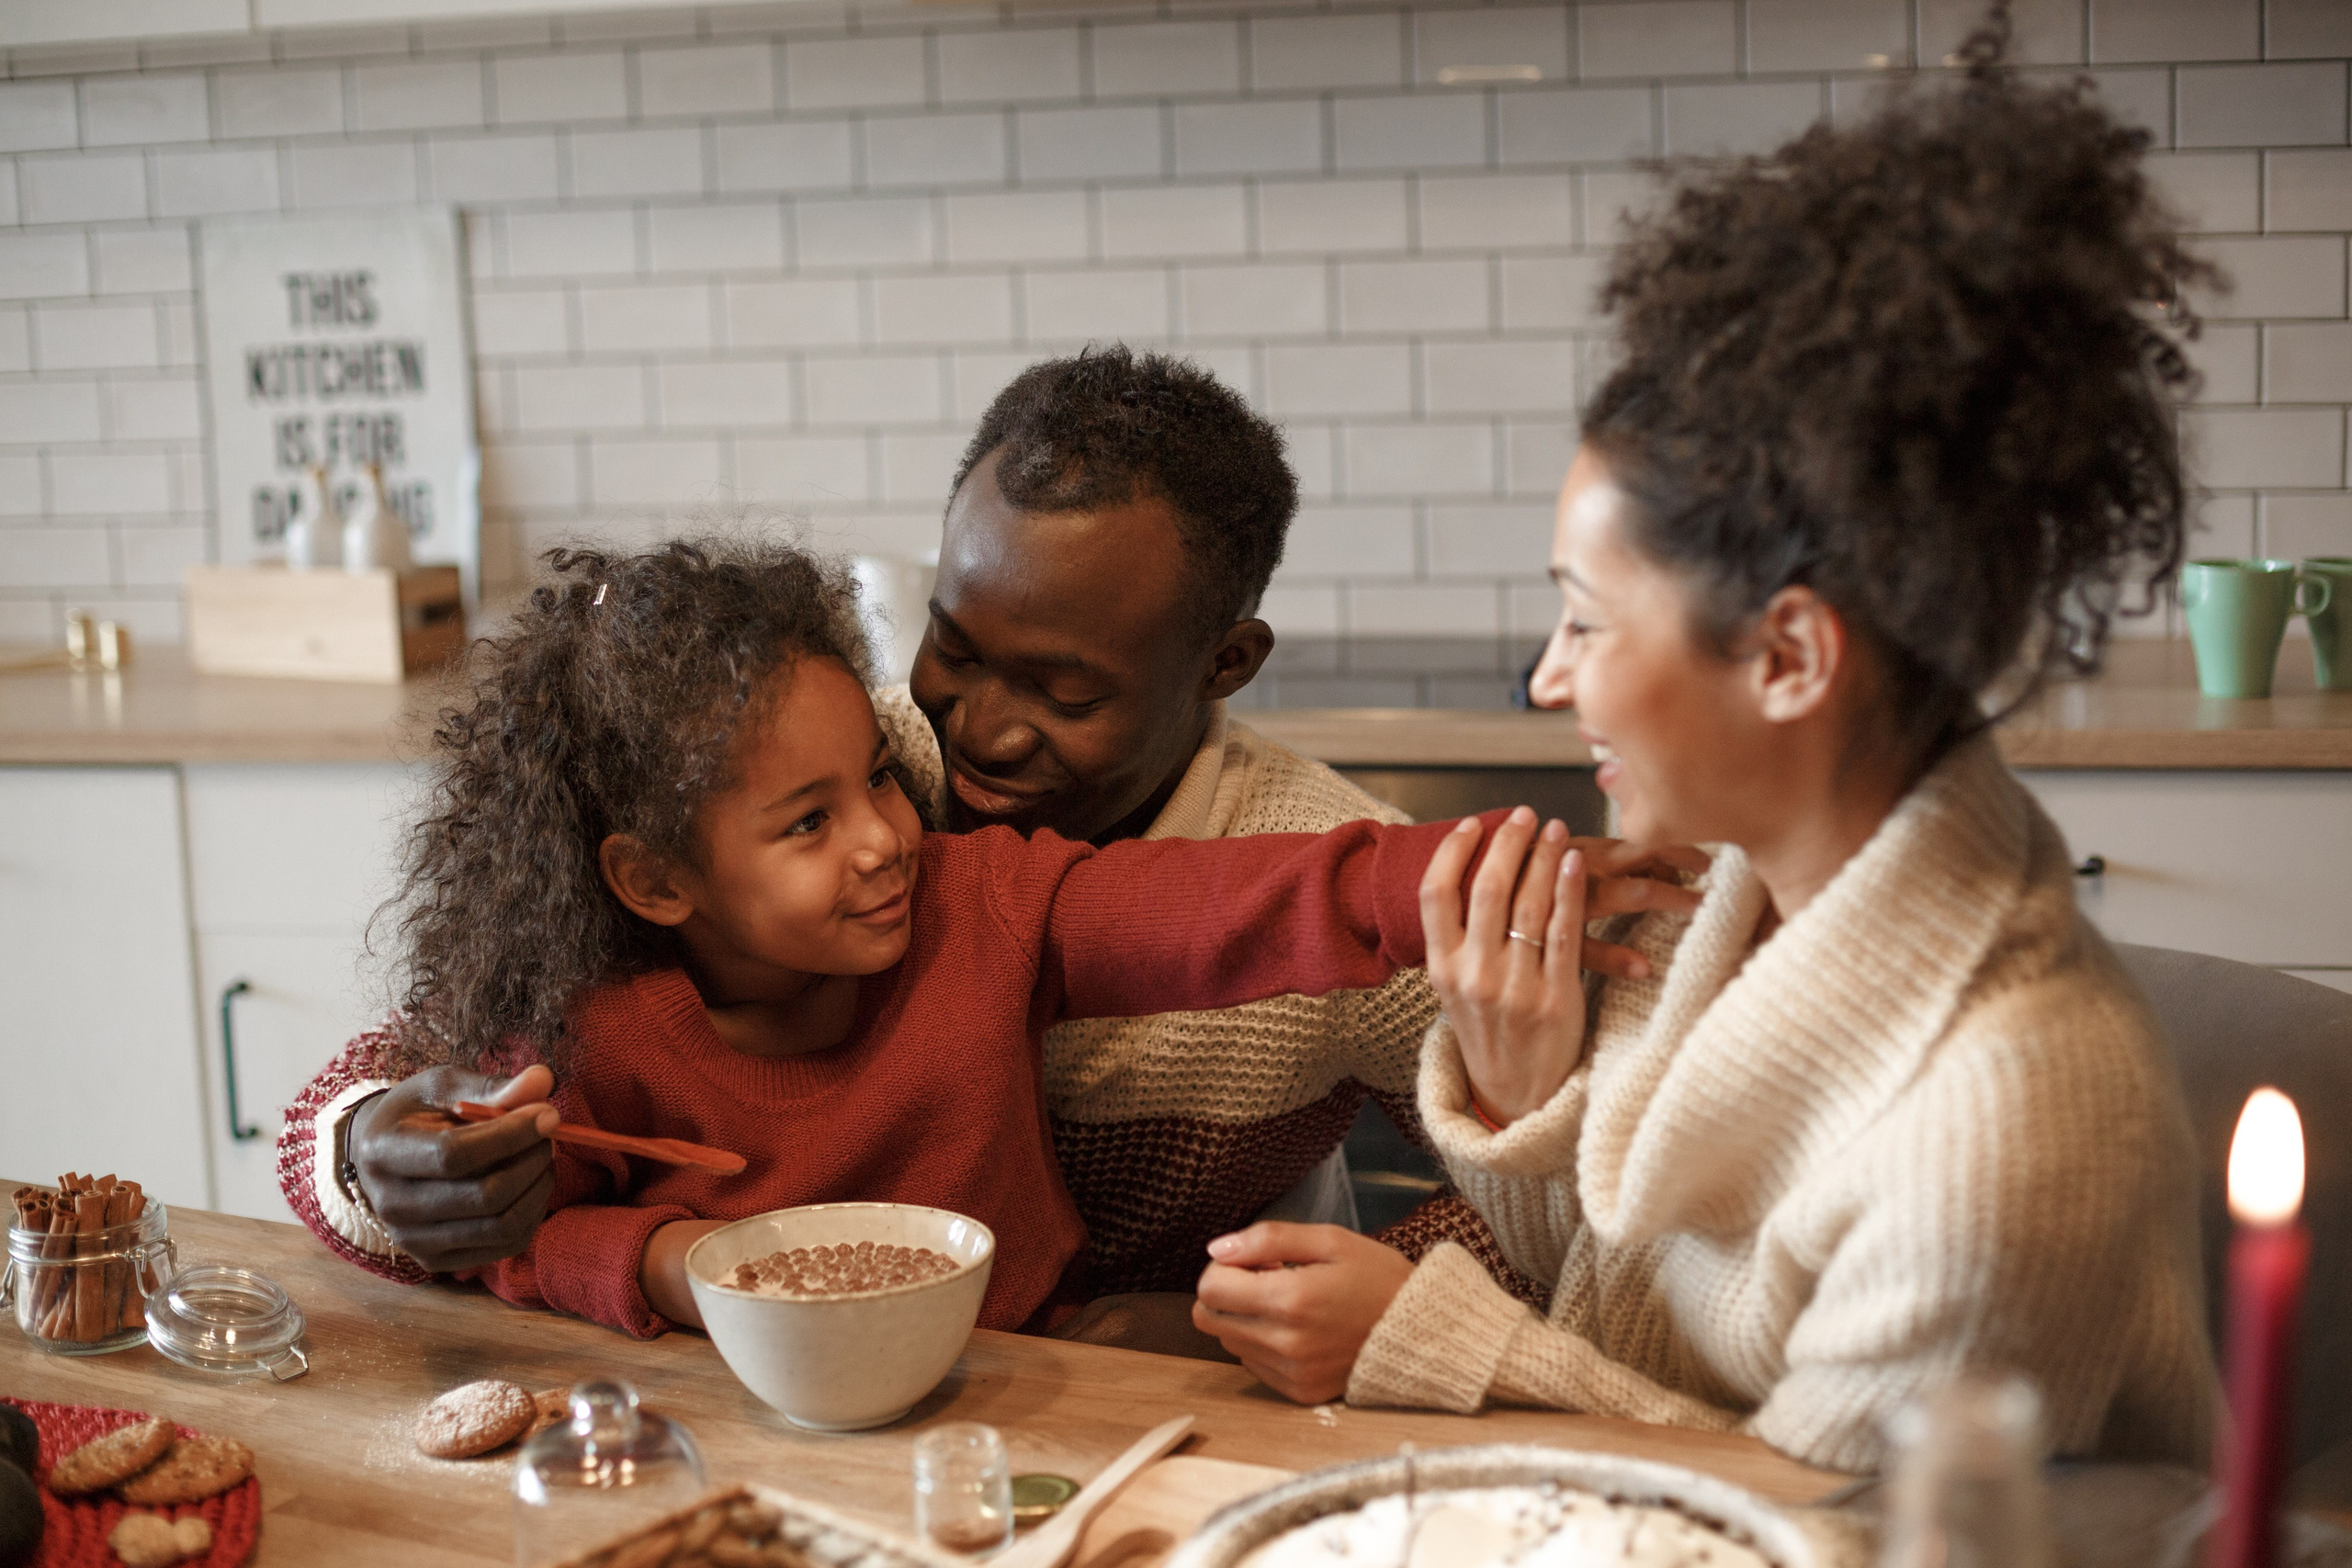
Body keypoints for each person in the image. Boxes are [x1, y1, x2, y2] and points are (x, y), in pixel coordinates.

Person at [1189, 18, 2221, 1472]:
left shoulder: (2004, 1136)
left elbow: (1833, 1531)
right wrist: (1519, 1076)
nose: (1548, 679)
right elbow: (1610, 1290)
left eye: (1586, 620)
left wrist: (1435, 1346)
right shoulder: (1716, 899)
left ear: (1789, 658)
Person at [285, 347, 1681, 1331]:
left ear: (1225, 663)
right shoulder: (824, 766)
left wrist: (1268, 1311)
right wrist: (381, 1164)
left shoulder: (1144, 872)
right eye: (955, 646)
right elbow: (421, 1084)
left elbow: (1599, 1209)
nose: (976, 736)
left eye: (1064, 691)